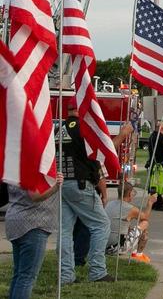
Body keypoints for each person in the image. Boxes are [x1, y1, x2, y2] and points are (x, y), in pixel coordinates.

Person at [59, 114, 114, 284]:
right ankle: (97, 271)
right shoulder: (83, 128)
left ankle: (65, 275)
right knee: (101, 224)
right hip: (81, 184)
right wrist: (99, 184)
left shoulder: (59, 129)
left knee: (65, 231)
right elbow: (97, 155)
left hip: (61, 183)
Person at [5, 178, 60, 299]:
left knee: (19, 274)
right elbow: (35, 196)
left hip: (15, 219)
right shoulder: (33, 169)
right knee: (27, 277)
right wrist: (56, 186)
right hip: (34, 224)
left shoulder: (17, 169)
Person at [105, 180, 153, 262]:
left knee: (127, 225)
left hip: (103, 245)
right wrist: (150, 203)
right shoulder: (131, 209)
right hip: (117, 248)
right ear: (130, 193)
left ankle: (137, 252)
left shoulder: (109, 204)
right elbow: (145, 217)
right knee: (145, 223)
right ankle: (139, 253)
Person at [146, 121, 163, 211]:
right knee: (160, 183)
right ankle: (159, 204)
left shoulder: (152, 136)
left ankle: (152, 203)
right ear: (162, 128)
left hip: (152, 163)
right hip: (160, 164)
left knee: (153, 183)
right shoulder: (161, 137)